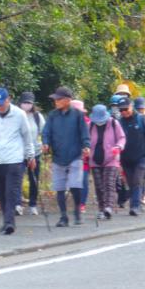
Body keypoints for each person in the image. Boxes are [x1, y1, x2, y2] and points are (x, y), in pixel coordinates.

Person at [0, 88, 36, 235]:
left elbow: (27, 135)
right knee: (0, 193)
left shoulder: (19, 114)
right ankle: (6, 220)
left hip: (14, 159)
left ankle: (10, 223)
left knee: (11, 192)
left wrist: (30, 156)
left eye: (1, 103)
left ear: (8, 100)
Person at [42, 86, 91, 227]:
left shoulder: (78, 115)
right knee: (60, 188)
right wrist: (45, 143)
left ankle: (77, 211)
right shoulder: (52, 115)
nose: (56, 101)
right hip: (58, 155)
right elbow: (46, 132)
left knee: (75, 185)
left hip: (75, 155)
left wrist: (86, 145)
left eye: (59, 99)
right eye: (55, 99)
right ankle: (63, 216)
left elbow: (84, 133)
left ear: (68, 100)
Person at [118, 96, 145, 216]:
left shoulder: (142, 119)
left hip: (142, 156)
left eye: (126, 109)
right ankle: (134, 202)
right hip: (126, 158)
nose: (124, 112)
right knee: (131, 182)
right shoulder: (119, 122)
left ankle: (135, 206)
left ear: (131, 107)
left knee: (137, 180)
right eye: (121, 110)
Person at [88, 104, 126, 220]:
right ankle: (101, 208)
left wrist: (118, 146)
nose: (100, 122)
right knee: (99, 186)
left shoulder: (114, 123)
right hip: (94, 160)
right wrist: (85, 149)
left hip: (111, 159)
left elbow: (122, 137)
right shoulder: (89, 125)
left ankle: (108, 208)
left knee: (109, 183)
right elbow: (85, 140)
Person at [18, 91, 45, 215]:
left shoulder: (37, 116)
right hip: (18, 153)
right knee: (17, 179)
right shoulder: (16, 115)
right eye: (24, 102)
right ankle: (17, 204)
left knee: (34, 179)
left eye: (29, 103)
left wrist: (43, 144)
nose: (26, 105)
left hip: (35, 152)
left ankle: (33, 204)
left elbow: (44, 132)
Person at [72, 100, 91, 214]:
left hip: (84, 157)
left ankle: (81, 204)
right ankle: (77, 202)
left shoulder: (88, 123)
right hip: (71, 157)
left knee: (83, 180)